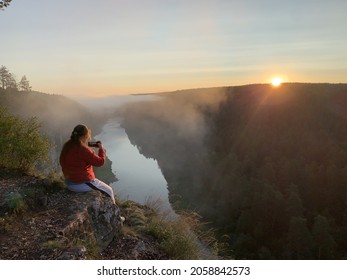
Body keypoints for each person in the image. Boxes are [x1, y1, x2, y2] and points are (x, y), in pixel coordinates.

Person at [59, 124, 116, 204]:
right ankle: (116, 216)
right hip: (81, 183)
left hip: (69, 183)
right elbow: (100, 162)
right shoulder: (83, 149)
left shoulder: (67, 146)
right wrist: (101, 149)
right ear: (85, 136)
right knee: (109, 190)